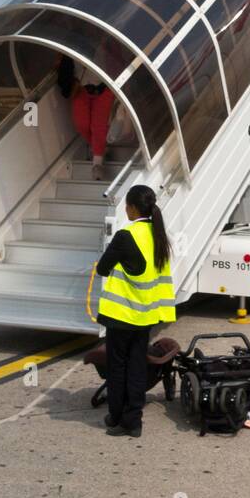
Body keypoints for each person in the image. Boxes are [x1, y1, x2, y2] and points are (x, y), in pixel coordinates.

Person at [95, 184, 175, 438]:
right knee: (137, 366)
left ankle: (118, 418)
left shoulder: (126, 235)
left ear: (131, 208)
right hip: (146, 316)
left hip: (121, 316)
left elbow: (103, 268)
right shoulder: (158, 235)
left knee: (118, 368)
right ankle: (135, 420)